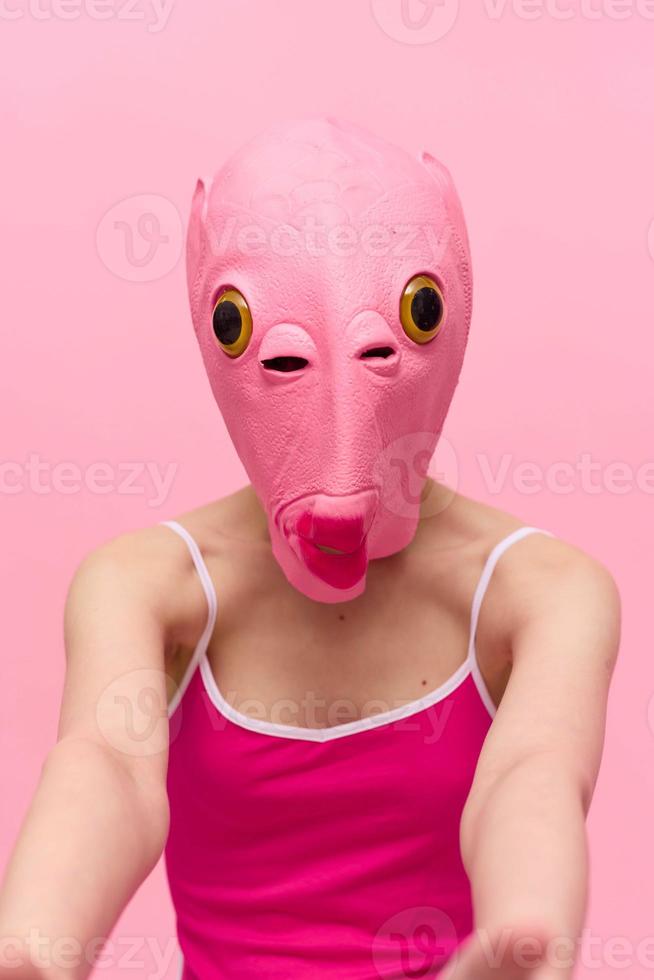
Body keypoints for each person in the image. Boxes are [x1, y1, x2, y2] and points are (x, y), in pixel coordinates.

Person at [0, 118, 620, 979]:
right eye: (248, 332)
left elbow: (534, 772)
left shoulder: (542, 590)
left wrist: (524, 931)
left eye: (416, 314)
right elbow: (105, 764)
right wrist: (34, 950)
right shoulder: (150, 583)